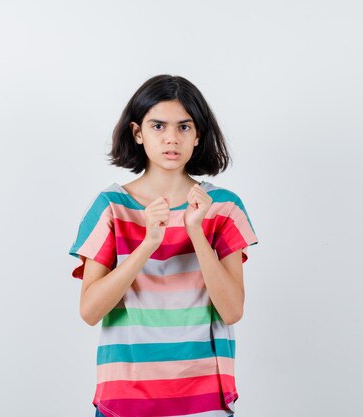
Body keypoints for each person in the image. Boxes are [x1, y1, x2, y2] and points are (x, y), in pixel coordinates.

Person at [68, 74, 259, 417]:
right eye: (158, 126)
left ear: (198, 134)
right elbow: (90, 310)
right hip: (125, 401)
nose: (172, 138)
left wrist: (196, 232)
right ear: (137, 133)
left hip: (204, 401)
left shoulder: (223, 207)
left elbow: (232, 311)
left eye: (184, 127)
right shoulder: (111, 206)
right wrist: (147, 243)